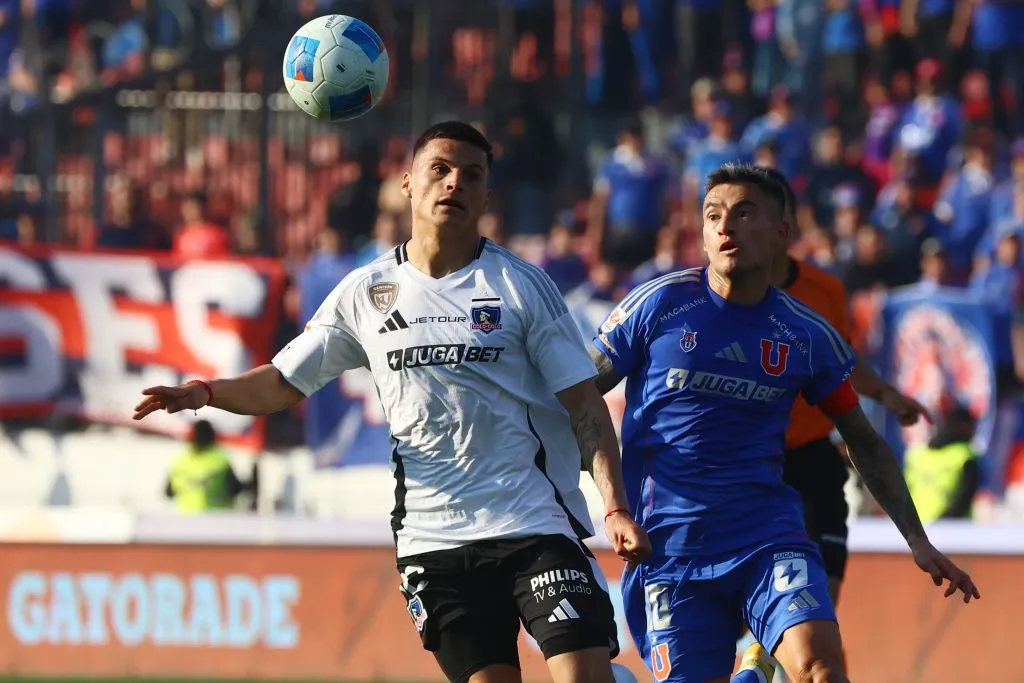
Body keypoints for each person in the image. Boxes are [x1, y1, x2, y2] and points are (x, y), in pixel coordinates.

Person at [134, 121, 651, 683]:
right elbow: (284, 381)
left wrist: (615, 507)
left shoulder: (520, 285)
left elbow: (585, 406)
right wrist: (206, 392)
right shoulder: (365, 292)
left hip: (533, 525)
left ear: (486, 196)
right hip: (433, 540)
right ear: (407, 183)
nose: (454, 183)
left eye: (471, 175)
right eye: (441, 169)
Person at [587, 163, 979, 683]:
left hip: (766, 538)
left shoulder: (803, 332)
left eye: (744, 212)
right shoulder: (658, 306)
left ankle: (759, 664)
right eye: (713, 215)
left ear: (781, 233)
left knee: (820, 668)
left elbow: (862, 437)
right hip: (669, 549)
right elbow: (576, 399)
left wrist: (918, 540)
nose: (726, 226)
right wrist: (613, 507)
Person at [165, 420, 256, 514]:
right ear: (211, 437)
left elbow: (168, 493)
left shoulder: (180, 462)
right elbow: (235, 489)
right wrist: (251, 485)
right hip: (217, 519)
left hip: (187, 518)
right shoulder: (221, 460)